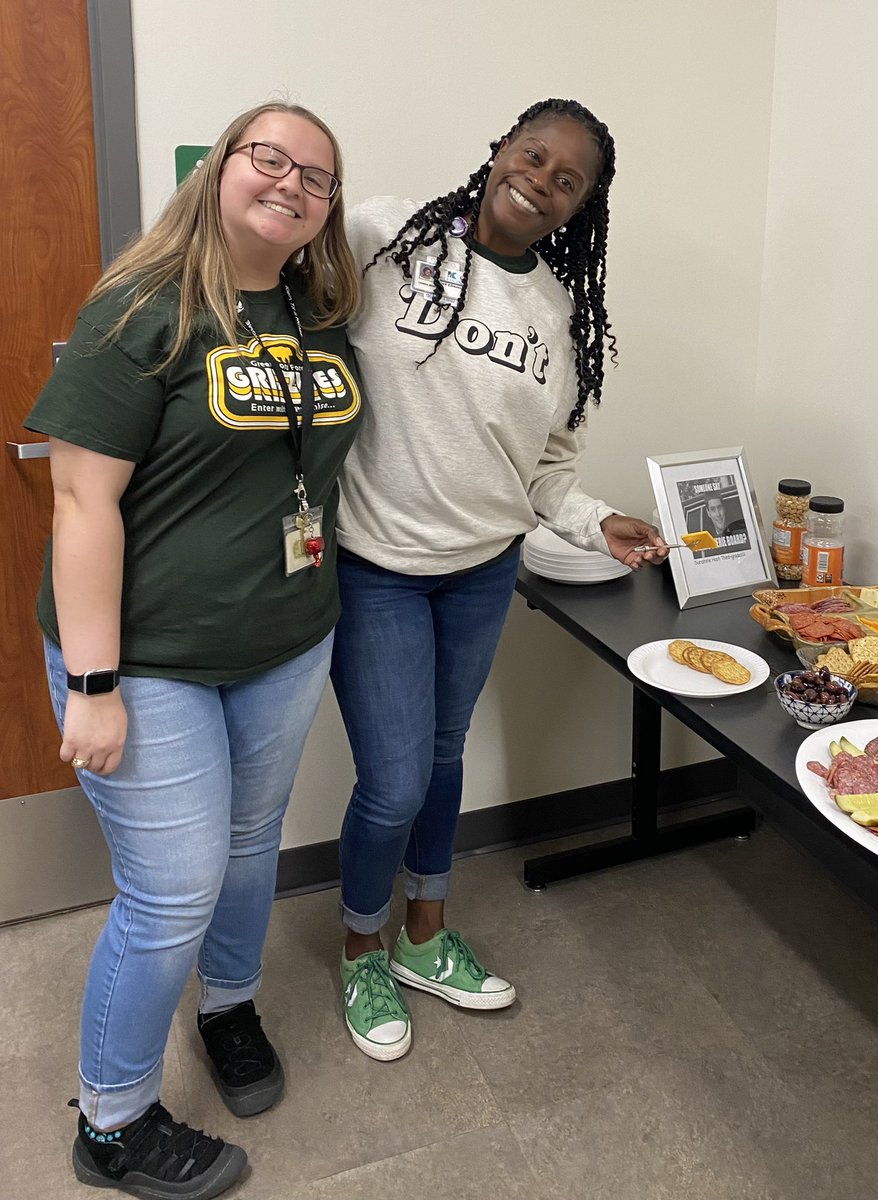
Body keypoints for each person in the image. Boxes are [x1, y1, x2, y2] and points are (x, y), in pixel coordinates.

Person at [24, 102, 362, 1200]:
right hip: (151, 658)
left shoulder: (318, 314)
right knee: (170, 888)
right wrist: (92, 683)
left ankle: (228, 1006)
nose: (292, 184)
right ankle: (111, 1123)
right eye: (269, 158)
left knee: (252, 842)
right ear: (218, 170)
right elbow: (80, 503)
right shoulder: (145, 307)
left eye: (317, 176)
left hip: (285, 640)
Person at [331, 98, 666, 1060]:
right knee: (393, 783)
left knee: (442, 760)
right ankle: (362, 946)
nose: (543, 182)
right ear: (499, 151)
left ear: (581, 207)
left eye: (569, 181)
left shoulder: (557, 314)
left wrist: (599, 518)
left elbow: (546, 465)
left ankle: (425, 938)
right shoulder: (383, 237)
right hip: (377, 567)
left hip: (483, 571)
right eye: (534, 156)